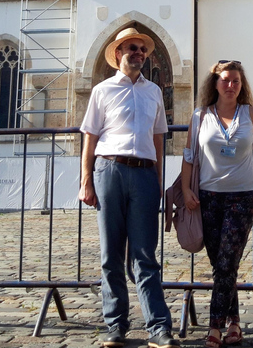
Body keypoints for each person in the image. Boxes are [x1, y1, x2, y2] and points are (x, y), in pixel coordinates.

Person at [79, 27, 180, 348]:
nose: (138, 53)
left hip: (145, 174)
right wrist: (86, 181)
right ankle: (115, 325)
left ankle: (159, 327)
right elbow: (90, 137)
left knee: (145, 255)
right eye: (131, 48)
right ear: (118, 53)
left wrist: (159, 181)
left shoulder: (154, 92)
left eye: (142, 49)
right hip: (109, 169)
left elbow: (158, 138)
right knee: (111, 254)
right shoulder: (102, 90)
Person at [180, 60, 253, 348]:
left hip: (242, 196)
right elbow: (190, 155)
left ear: (242, 86)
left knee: (228, 259)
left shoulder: (250, 114)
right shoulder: (200, 115)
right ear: (215, 83)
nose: (231, 86)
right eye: (225, 80)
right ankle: (235, 323)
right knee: (221, 265)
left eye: (236, 81)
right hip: (208, 196)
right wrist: (185, 188)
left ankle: (215, 326)